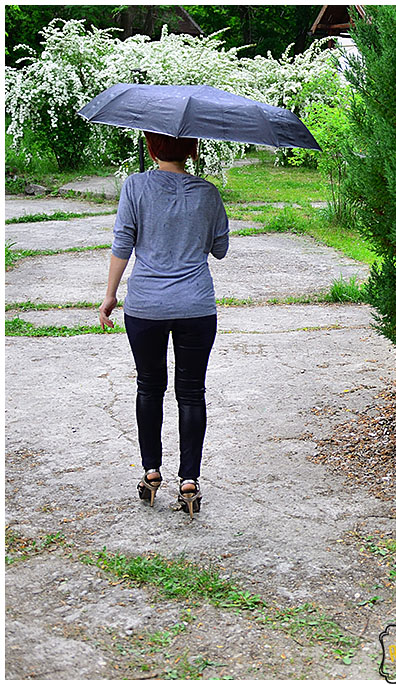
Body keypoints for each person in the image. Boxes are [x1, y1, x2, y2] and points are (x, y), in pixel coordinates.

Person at [99, 131, 229, 518]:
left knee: (149, 386)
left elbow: (123, 243)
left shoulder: (135, 186)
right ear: (191, 149)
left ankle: (151, 473)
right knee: (191, 392)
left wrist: (110, 295)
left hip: (146, 308)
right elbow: (219, 250)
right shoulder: (208, 192)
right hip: (196, 306)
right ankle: (189, 481)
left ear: (152, 148)